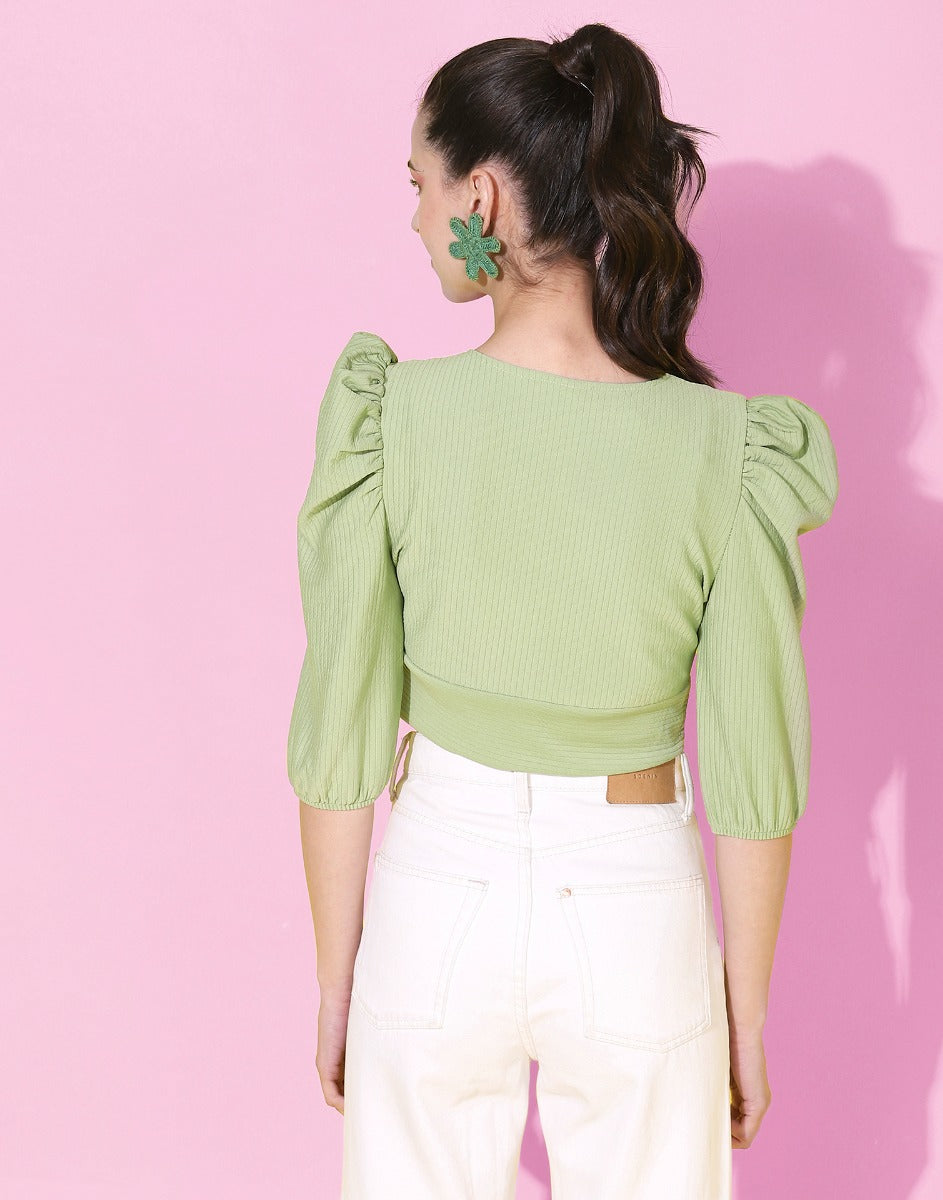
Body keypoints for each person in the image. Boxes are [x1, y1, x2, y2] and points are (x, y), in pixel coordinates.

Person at [286, 22, 839, 1200]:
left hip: (437, 891)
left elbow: (340, 732)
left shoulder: (391, 421)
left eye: (419, 186)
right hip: (635, 903)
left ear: (480, 197)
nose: (416, 218)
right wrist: (743, 1016)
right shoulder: (728, 449)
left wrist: (338, 981)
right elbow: (752, 767)